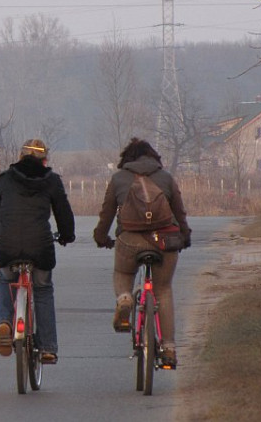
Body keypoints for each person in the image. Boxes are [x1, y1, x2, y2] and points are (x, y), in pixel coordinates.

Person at [92, 137, 192, 368]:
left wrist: (101, 238)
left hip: (130, 240)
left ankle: (125, 298)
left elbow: (106, 214)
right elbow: (180, 212)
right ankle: (168, 348)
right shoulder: (165, 177)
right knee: (163, 290)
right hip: (165, 242)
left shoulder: (118, 179)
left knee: (123, 274)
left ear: (127, 159)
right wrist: (184, 237)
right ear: (153, 157)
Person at [0, 139, 76, 365]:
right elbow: (63, 213)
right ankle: (48, 348)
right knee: (43, 290)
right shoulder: (51, 180)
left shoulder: (4, 180)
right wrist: (66, 235)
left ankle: (4, 321)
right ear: (44, 160)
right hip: (40, 247)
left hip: (8, 246)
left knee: (5, 280)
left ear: (21, 156)